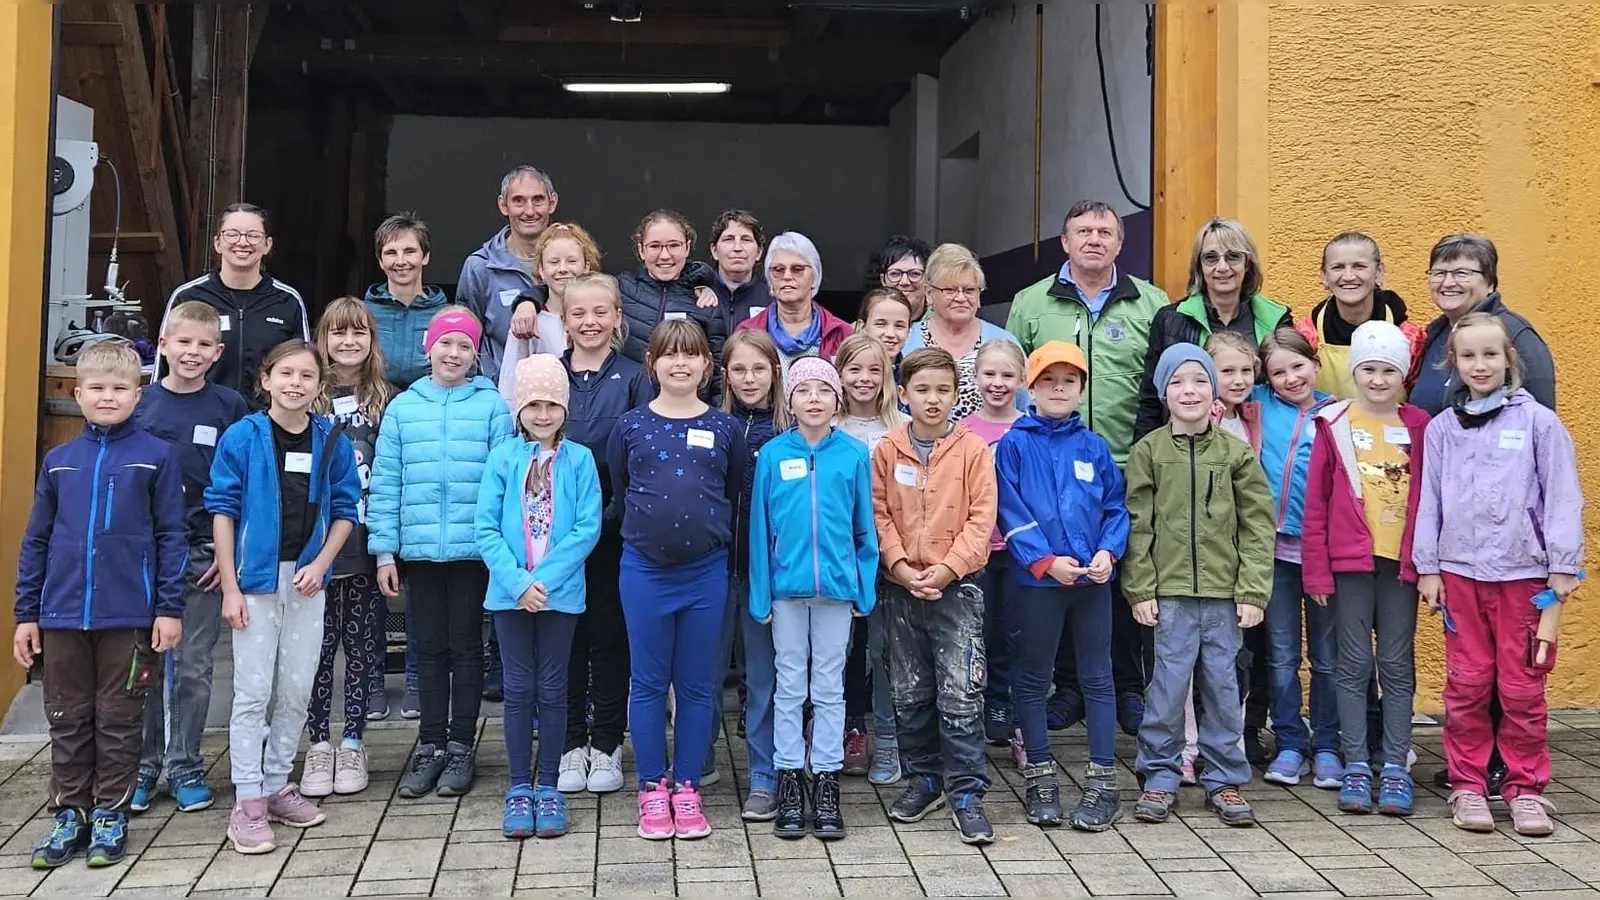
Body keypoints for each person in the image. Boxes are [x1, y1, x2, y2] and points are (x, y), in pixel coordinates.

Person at [14, 342, 186, 870]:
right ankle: (70, 812)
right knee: (67, 716)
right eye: (97, 388)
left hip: (129, 616)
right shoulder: (60, 461)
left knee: (119, 716)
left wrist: (168, 607)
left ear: (139, 394)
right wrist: (27, 614)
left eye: (120, 388)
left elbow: (172, 536)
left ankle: (110, 811)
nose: (108, 397)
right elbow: (36, 539)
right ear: (78, 393)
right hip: (61, 614)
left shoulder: (156, 456)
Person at [1414, 313, 1584, 837]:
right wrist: (1428, 567)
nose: (1480, 365)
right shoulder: (1443, 428)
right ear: (1454, 364)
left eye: (1490, 354)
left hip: (1524, 577)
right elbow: (1430, 501)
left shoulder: (1538, 424)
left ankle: (1525, 788)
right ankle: (1467, 784)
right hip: (1461, 576)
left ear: (1509, 360)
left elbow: (1561, 494)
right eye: (1469, 356)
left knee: (1522, 686)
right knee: (1466, 684)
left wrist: (1562, 564)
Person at [1007, 202, 1168, 739]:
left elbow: (1159, 386)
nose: (1094, 239)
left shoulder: (1151, 303)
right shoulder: (1032, 303)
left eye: (1105, 231)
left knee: (1120, 577)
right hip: (1047, 467)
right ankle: (1070, 687)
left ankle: (1125, 686)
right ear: (1065, 241)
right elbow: (1012, 380)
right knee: (1062, 576)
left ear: (1121, 243)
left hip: (1126, 462)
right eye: (1083, 231)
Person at [207, 339, 361, 853]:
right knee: (252, 691)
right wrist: (230, 586)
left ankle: (276, 784)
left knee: (297, 687)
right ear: (265, 380)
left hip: (306, 579)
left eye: (307, 377)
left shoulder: (330, 439)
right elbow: (223, 511)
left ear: (319, 387)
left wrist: (322, 563)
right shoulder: (242, 437)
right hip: (253, 581)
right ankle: (247, 799)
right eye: (286, 374)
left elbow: (345, 509)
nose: (296, 384)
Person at [608, 319, 746, 841]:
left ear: (707, 367)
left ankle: (686, 784)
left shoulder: (726, 428)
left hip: (705, 573)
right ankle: (650, 787)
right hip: (644, 571)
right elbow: (622, 492)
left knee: (695, 684)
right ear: (654, 364)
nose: (681, 363)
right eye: (670, 355)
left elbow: (729, 492)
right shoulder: (630, 427)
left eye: (691, 355)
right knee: (646, 682)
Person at [1127, 344, 1274, 828]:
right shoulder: (1148, 451)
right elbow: (1139, 525)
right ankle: (1160, 776)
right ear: (1163, 392)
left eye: (1198, 381)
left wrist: (1252, 591)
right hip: (1169, 595)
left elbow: (1257, 525)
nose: (1188, 390)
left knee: (1223, 686)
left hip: (1225, 596)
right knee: (1167, 688)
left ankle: (1225, 778)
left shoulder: (1234, 452)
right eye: (1177, 382)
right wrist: (1141, 588)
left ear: (1213, 391)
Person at [370, 307, 514, 800]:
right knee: (427, 649)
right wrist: (385, 551)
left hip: (475, 551)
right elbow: (386, 483)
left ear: (476, 355)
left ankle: (460, 746)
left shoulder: (492, 406)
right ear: (427, 347)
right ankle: (428, 744)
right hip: (421, 550)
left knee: (468, 647)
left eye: (465, 347)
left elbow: (503, 482)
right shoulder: (403, 408)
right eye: (446, 344)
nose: (454, 354)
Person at [996, 341, 1129, 832]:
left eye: (1068, 381)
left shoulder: (1093, 446)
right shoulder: (1014, 442)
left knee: (1098, 678)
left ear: (1081, 389)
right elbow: (1008, 509)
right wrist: (1045, 561)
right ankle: (1041, 776)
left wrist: (1106, 553)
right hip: (1038, 583)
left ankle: (1102, 780)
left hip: (1091, 582)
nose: (1058, 389)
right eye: (1048, 380)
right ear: (1032, 387)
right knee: (1032, 679)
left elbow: (1115, 507)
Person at [1302, 321, 1430, 817]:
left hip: (1401, 565)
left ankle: (1395, 765)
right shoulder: (1332, 424)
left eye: (1388, 371)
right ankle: (1357, 761)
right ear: (1354, 372)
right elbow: (1317, 503)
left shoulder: (1420, 425)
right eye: (1369, 369)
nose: (1378, 380)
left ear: (1403, 375)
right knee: (1352, 666)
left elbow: (1432, 499)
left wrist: (1431, 564)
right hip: (1349, 565)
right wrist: (1316, 571)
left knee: (1397, 664)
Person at [873, 348, 998, 845]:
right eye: (921, 389)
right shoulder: (887, 449)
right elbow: (879, 513)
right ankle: (925, 778)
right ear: (902, 393)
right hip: (901, 589)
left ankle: (966, 792)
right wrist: (900, 567)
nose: (932, 399)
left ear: (956, 395)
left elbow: (981, 519)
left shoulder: (972, 451)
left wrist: (947, 569)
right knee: (910, 690)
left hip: (957, 590)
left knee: (961, 692)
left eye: (943, 390)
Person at [750, 356, 878, 841]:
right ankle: (787, 777)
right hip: (785, 591)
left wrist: (862, 586)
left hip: (837, 593)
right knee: (789, 686)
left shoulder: (852, 454)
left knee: (829, 687)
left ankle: (824, 779)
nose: (814, 400)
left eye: (824, 391)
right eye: (804, 392)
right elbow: (760, 532)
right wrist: (762, 593)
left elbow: (864, 527)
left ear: (837, 398)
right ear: (790, 400)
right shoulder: (770, 455)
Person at [477, 354, 601, 840]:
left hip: (559, 593)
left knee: (553, 688)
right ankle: (517, 787)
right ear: (519, 408)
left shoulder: (581, 460)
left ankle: (548, 784)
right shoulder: (502, 458)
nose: (543, 414)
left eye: (552, 404)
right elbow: (485, 527)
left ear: (565, 408)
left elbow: (588, 527)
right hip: (510, 595)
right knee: (517, 690)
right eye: (533, 404)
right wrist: (517, 582)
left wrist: (542, 580)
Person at [129, 302, 247, 816]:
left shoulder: (230, 407)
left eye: (204, 345)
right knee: (144, 662)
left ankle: (186, 764)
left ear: (218, 352)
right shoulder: (139, 405)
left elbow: (244, 484)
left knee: (194, 665)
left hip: (204, 553)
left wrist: (229, 555)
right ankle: (142, 765)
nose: (193, 353)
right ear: (163, 345)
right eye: (184, 343)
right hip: (144, 553)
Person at [555, 274, 651, 796]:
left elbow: (641, 461)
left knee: (610, 639)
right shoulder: (548, 375)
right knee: (566, 639)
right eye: (579, 313)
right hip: (555, 540)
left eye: (600, 312)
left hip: (615, 533)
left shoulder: (636, 379)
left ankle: (609, 743)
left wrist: (607, 518)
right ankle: (571, 743)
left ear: (617, 318)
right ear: (564, 320)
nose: (590, 322)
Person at [301, 299, 393, 799]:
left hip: (364, 545)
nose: (348, 342)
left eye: (359, 332)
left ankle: (353, 740)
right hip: (314, 551)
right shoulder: (305, 396)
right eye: (338, 333)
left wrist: (386, 551)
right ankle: (318, 742)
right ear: (323, 338)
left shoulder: (386, 401)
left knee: (360, 648)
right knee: (315, 648)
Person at [1251, 329, 1339, 789]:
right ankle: (1289, 741)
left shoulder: (1336, 414)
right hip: (1273, 553)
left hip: (1321, 554)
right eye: (1278, 372)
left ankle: (1326, 743)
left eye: (1298, 366)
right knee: (1282, 655)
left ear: (1315, 363)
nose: (1290, 378)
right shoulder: (1257, 405)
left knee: (1326, 656)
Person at [1133, 217, 1292, 441]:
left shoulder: (1276, 318)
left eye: (1233, 257)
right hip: (1186, 447)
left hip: (1262, 447)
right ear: (1199, 266)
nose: (1222, 267)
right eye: (1211, 258)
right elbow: (1151, 398)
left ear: (1247, 264)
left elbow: (1287, 392)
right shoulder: (1170, 320)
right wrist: (1143, 462)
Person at [717, 329, 787, 819]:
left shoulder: (788, 433)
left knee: (763, 679)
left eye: (758, 368)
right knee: (702, 674)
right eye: (739, 369)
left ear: (775, 374)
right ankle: (695, 766)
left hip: (768, 577)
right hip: (714, 573)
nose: (749, 378)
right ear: (724, 374)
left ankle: (764, 774)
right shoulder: (713, 426)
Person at [836, 333, 906, 783]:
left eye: (874, 371)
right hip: (839, 560)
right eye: (854, 369)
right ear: (838, 374)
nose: (864, 379)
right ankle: (848, 731)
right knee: (840, 651)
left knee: (884, 652)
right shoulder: (828, 425)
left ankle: (890, 739)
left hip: (890, 558)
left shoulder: (901, 428)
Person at [160, 203, 309, 407]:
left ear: (267, 244)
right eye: (232, 234)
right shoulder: (188, 296)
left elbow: (303, 366)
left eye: (253, 235)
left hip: (266, 422)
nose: (242, 242)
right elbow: (163, 367)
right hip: (200, 416)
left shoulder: (288, 300)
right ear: (217, 243)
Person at [1204, 331, 1269, 767]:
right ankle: (1198, 742)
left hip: (1243, 557)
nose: (1239, 379)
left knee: (1241, 654)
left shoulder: (1251, 418)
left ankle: (1239, 734)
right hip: (1205, 557)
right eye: (1227, 371)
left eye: (1246, 370)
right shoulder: (1200, 421)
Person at [1409, 234, 1555, 416]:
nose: (1447, 283)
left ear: (1490, 284)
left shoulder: (1515, 333)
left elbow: (1541, 418)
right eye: (1439, 273)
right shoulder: (1434, 334)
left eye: (1461, 273)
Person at [961, 340, 1025, 754]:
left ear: (1021, 381)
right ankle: (975, 705)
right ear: (975, 377)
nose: (997, 384)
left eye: (1007, 376)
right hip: (977, 550)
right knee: (976, 632)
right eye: (989, 375)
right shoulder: (963, 430)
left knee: (1014, 632)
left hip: (1021, 552)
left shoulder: (1030, 426)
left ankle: (1008, 708)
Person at [455, 165, 559, 383]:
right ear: (503, 205)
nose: (529, 211)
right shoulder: (480, 267)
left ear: (552, 202)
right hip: (501, 395)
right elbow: (466, 336)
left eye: (538, 199)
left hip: (564, 394)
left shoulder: (572, 263)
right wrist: (487, 385)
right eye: (519, 201)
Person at [1291, 232, 1424, 400]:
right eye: (1337, 267)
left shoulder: (1410, 337)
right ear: (1324, 276)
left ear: (1379, 272)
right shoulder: (1305, 336)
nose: (1348, 276)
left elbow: (1420, 402)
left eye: (1359, 266)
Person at [900, 243, 1025, 421]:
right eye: (949, 290)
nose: (961, 298)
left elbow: (1026, 405)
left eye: (969, 290)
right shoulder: (906, 341)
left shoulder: (1004, 341)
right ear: (929, 294)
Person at [618, 210, 726, 402]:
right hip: (632, 409)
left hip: (688, 412)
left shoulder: (704, 303)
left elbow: (718, 376)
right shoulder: (621, 290)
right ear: (641, 250)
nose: (665, 255)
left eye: (674, 245)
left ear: (687, 247)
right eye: (655, 246)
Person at [495, 222, 600, 398]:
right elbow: (509, 385)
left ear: (587, 267)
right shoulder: (528, 320)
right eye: (553, 262)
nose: (563, 269)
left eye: (572, 261)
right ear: (541, 270)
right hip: (542, 420)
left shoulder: (600, 319)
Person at [736, 232, 853, 366]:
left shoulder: (842, 333)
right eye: (778, 270)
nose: (787, 276)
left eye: (797, 269)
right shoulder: (746, 331)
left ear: (814, 277)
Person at [365, 213, 449, 393]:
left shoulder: (447, 316)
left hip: (430, 409)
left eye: (409, 251)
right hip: (374, 407)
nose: (401, 261)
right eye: (391, 253)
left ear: (425, 257)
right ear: (380, 261)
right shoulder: (363, 314)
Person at [706, 208, 775, 333]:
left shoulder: (773, 300)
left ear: (759, 252)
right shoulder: (698, 295)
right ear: (714, 250)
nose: (737, 248)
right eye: (729, 239)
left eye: (746, 239)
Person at [876, 235, 933, 321]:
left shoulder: (944, 326)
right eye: (895, 274)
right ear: (883, 280)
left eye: (914, 273)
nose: (904, 282)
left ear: (928, 280)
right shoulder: (861, 330)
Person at [855, 287, 913, 368]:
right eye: (880, 324)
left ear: (909, 331)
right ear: (862, 327)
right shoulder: (843, 373)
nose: (891, 334)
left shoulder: (912, 375)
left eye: (899, 326)